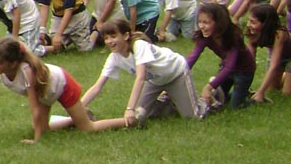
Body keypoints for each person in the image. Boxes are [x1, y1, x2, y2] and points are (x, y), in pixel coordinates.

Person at [0, 38, 122, 145]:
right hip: (45, 94)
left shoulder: (26, 71)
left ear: (13, 64)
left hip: (63, 86)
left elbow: (34, 107)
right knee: (44, 128)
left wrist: (36, 140)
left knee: (88, 128)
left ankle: (129, 120)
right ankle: (75, 119)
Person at [72, 19, 204, 125]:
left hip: (175, 73)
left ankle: (209, 100)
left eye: (113, 36)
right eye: (106, 38)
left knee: (192, 117)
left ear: (126, 35)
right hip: (155, 81)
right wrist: (79, 108)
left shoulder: (139, 45)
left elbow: (140, 77)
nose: (109, 42)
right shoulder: (114, 57)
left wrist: (129, 109)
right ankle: (170, 100)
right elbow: (97, 86)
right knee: (140, 115)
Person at [186, 3, 255, 111]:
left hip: (243, 71)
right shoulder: (204, 37)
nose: (201, 26)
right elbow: (193, 57)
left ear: (218, 23)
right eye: (200, 22)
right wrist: (179, 74)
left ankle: (253, 98)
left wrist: (209, 87)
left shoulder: (233, 38)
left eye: (206, 22)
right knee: (220, 100)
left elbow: (229, 66)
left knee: (235, 107)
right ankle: (241, 92)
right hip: (226, 69)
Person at [246, 4, 291, 102]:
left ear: (266, 24)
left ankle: (287, 75)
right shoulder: (252, 33)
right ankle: (286, 76)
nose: (248, 24)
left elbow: (273, 66)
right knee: (273, 89)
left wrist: (261, 92)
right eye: (249, 20)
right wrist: (245, 88)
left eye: (253, 22)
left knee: (287, 93)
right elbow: (250, 64)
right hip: (281, 57)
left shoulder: (279, 33)